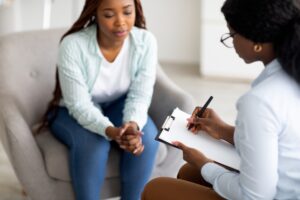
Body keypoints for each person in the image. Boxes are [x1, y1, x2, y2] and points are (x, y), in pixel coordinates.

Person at [142, 0, 300, 199]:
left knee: (156, 189)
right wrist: (222, 130)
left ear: (256, 43)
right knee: (187, 173)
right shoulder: (291, 75)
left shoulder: (260, 101)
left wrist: (204, 164)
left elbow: (254, 196)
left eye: (232, 34)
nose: (231, 41)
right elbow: (279, 143)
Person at [38, 0, 159, 199]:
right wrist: (110, 131)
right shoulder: (73, 45)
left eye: (128, 12)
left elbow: (140, 93)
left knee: (145, 138)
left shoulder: (145, 42)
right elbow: (79, 105)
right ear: (95, 14)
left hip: (117, 103)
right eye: (109, 15)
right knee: (94, 146)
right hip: (70, 109)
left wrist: (132, 125)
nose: (121, 22)